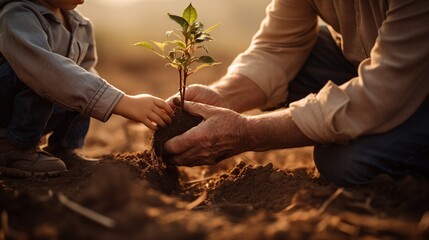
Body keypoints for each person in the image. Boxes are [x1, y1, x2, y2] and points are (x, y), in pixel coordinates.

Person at [163, 0, 429, 187]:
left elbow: (381, 94)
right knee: (300, 65)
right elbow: (278, 46)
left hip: (406, 83)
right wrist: (222, 95)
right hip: (390, 73)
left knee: (345, 160)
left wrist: (245, 132)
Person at [0, 0, 173, 177]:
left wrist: (119, 103)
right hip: (8, 109)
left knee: (83, 79)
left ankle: (65, 147)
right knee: (51, 75)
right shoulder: (17, 15)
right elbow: (43, 72)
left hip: (45, 101)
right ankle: (15, 147)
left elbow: (86, 76)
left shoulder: (81, 25)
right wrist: (121, 102)